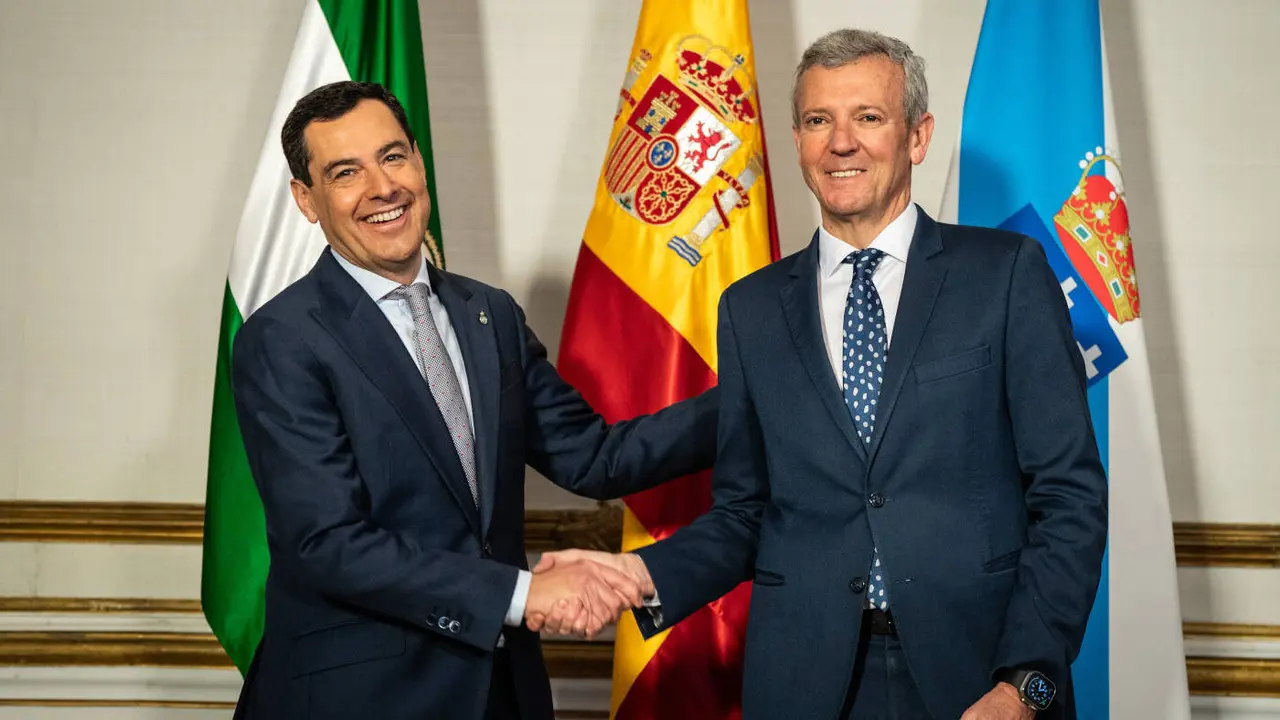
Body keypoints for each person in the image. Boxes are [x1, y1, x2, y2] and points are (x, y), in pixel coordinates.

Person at [538, 28, 1107, 720]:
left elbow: (1069, 496)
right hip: (805, 680)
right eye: (818, 121)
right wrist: (638, 575)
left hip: (981, 676)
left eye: (867, 117)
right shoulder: (750, 309)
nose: (841, 142)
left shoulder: (1006, 274)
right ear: (799, 141)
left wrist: (1025, 685)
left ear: (918, 137)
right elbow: (748, 512)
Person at [229, 80, 717, 720]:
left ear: (418, 162)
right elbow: (329, 543)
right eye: (346, 172)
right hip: (361, 698)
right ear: (307, 200)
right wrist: (519, 595)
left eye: (393, 156)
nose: (382, 187)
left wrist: (760, 397)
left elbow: (595, 457)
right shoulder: (282, 339)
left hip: (500, 692)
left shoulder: (490, 314)